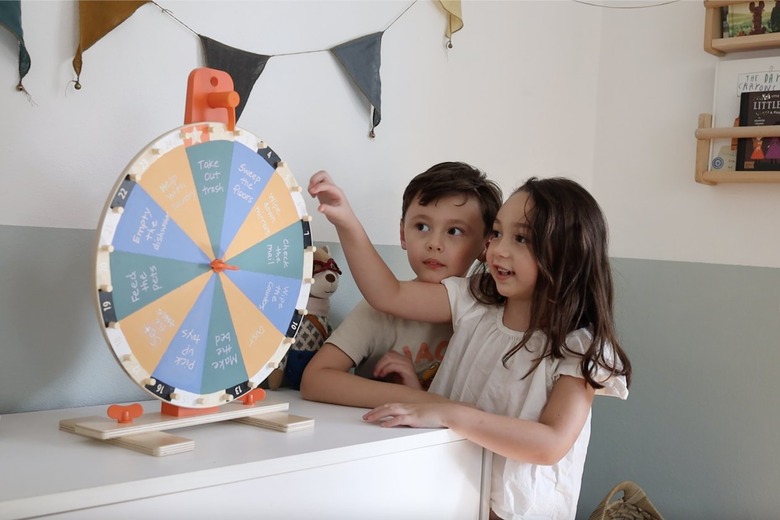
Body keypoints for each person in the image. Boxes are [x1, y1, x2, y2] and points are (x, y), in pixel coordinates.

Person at [308, 171, 632, 520]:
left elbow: (551, 443)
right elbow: (388, 294)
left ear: (567, 254)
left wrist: (450, 412)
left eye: (522, 238)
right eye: (497, 233)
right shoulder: (474, 301)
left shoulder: (578, 348)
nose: (499, 249)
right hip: (448, 494)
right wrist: (347, 222)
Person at [300, 162, 503, 409]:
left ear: (485, 246)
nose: (434, 243)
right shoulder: (379, 309)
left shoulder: (488, 312)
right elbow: (315, 380)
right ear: (403, 234)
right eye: (422, 227)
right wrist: (416, 399)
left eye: (455, 231)